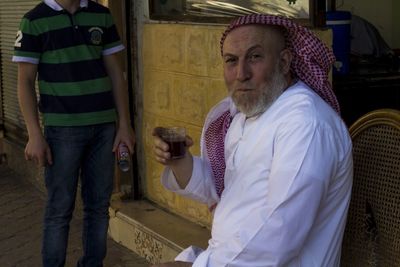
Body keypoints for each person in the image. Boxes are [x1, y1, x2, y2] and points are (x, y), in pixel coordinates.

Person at [152, 14, 353, 267]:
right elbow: (226, 189)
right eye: (231, 61)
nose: (241, 74)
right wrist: (179, 161)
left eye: (255, 57)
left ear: (284, 62)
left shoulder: (305, 124)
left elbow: (281, 235)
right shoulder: (247, 117)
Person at [12, 0, 135, 266]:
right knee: (59, 209)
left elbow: (116, 72)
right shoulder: (34, 20)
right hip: (61, 131)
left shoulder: (101, 15)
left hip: (104, 128)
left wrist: (124, 124)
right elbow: (24, 81)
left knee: (98, 207)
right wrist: (34, 134)